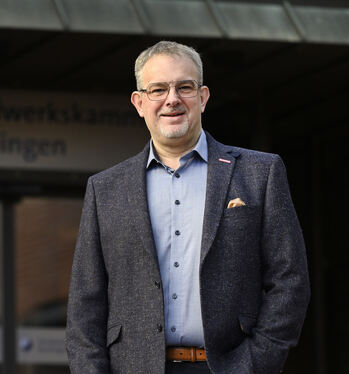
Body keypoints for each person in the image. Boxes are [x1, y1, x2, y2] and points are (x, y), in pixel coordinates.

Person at [66, 41, 310, 374]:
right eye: (158, 89)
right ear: (139, 102)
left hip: (229, 366)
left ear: (203, 97)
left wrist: (255, 363)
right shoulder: (105, 189)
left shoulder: (259, 173)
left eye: (185, 87)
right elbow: (85, 303)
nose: (172, 99)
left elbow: (290, 280)